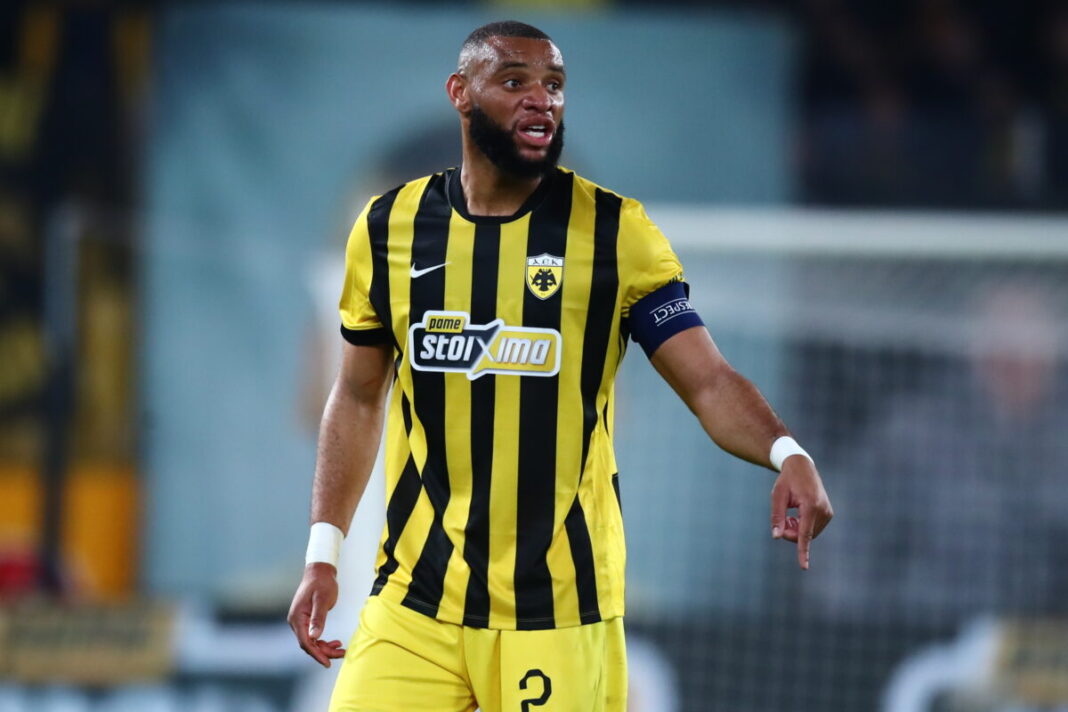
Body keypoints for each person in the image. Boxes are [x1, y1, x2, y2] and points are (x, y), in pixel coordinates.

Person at [287, 20, 833, 712]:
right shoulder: (387, 227)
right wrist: (324, 552)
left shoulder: (615, 234)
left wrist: (786, 452)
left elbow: (707, 380)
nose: (540, 98)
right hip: (416, 604)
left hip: (555, 611)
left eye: (554, 84)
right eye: (514, 81)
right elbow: (359, 396)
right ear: (460, 92)